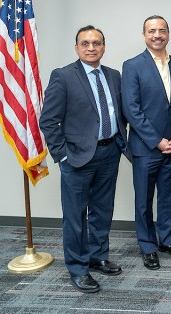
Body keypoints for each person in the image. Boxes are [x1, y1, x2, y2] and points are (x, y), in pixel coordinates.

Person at [40, 25, 128, 293]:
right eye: (85, 43)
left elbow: (118, 113)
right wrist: (63, 155)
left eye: (97, 43)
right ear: (76, 47)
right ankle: (78, 268)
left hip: (109, 152)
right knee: (76, 216)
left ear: (104, 46)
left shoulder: (114, 76)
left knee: (102, 211)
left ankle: (98, 256)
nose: (92, 47)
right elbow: (48, 120)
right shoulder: (63, 76)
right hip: (77, 158)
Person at [121, 15, 171, 271]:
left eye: (162, 30)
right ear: (144, 35)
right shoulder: (132, 65)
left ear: (169, 34)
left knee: (169, 198)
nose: (157, 35)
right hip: (146, 147)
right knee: (144, 200)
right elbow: (131, 109)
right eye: (151, 31)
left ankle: (168, 241)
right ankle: (148, 246)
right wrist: (158, 141)